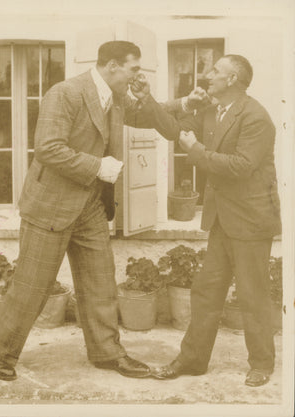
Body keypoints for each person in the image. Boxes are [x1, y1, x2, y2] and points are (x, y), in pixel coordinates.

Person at [0, 40, 175, 381]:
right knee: (32, 287)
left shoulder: (116, 98)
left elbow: (144, 113)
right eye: (135, 68)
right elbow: (47, 148)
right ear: (113, 66)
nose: (138, 75)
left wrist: (173, 101)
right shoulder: (65, 93)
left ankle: (107, 353)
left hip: (89, 206)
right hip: (52, 205)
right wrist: (97, 167)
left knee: (100, 283)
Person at [138, 54, 282, 387]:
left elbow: (241, 166)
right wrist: (147, 100)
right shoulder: (213, 111)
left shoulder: (256, 117)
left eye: (215, 71)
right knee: (206, 291)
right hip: (223, 220)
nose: (207, 75)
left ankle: (261, 364)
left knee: (252, 294)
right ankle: (192, 361)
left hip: (250, 219)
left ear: (233, 79)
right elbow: (175, 130)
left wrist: (197, 151)